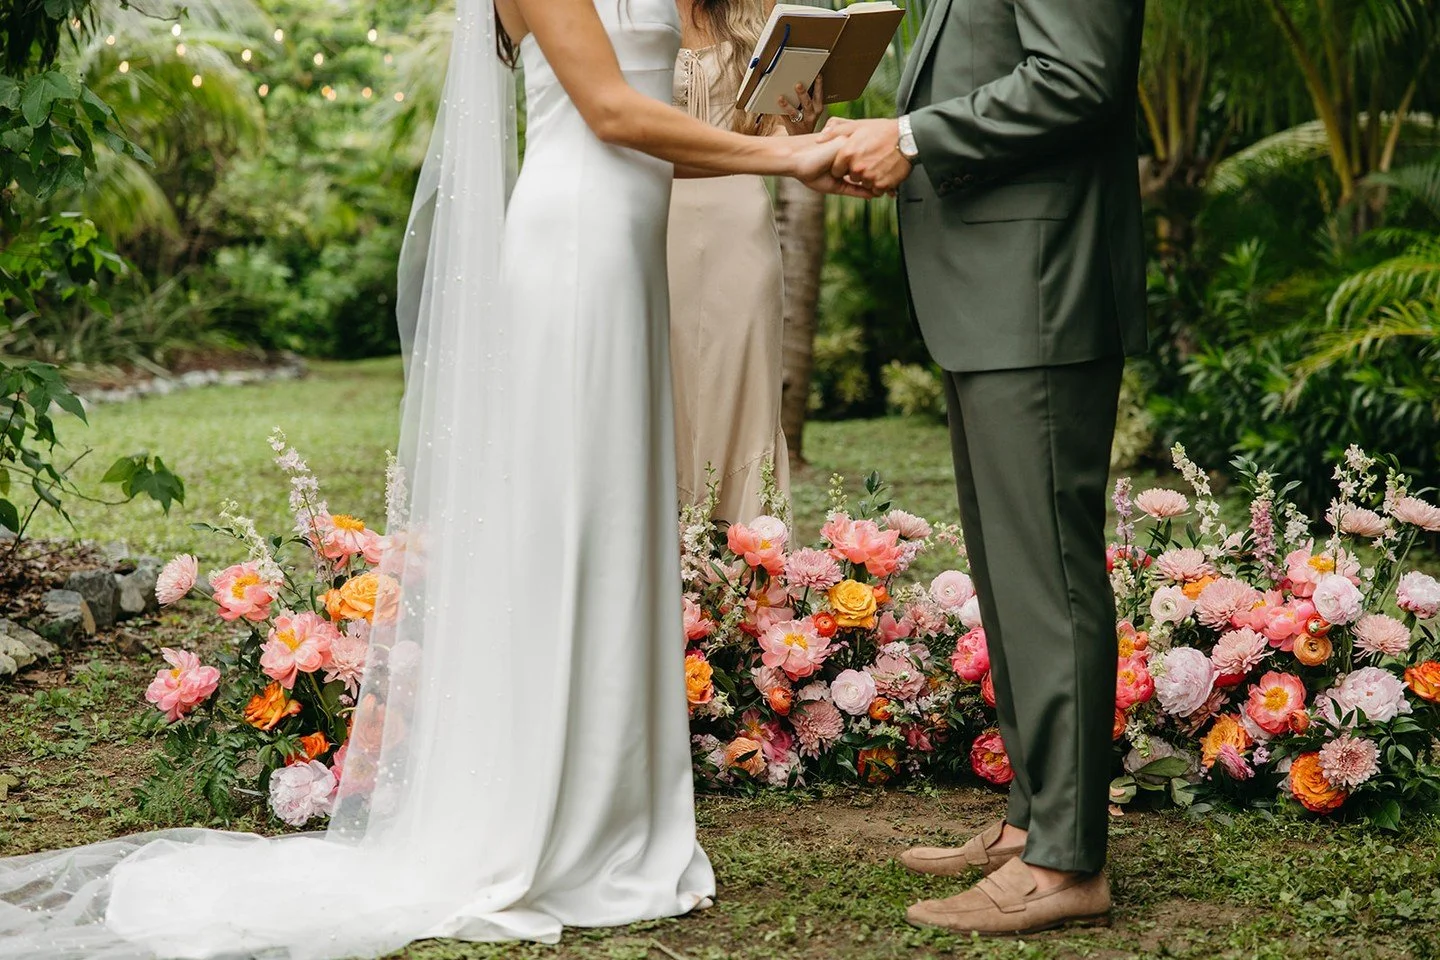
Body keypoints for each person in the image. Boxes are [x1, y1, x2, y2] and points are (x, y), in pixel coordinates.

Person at [0, 3, 866, 957]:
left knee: (617, 524)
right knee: (569, 522)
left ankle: (614, 817)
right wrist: (787, 161)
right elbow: (613, 115)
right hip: (574, 250)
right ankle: (542, 816)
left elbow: (665, 130)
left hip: (628, 247)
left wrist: (782, 134)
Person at [816, 0, 1149, 936]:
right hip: (997, 289)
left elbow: (1078, 76)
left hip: (1041, 286)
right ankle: (1033, 823)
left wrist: (913, 136)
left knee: (1046, 573)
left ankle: (1064, 867)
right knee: (1012, 572)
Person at [667, 0, 824, 521]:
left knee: (744, 399)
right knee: (660, 393)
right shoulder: (624, 14)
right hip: (648, 225)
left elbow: (771, 135)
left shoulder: (753, 11)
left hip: (740, 229)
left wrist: (801, 128)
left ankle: (748, 585)